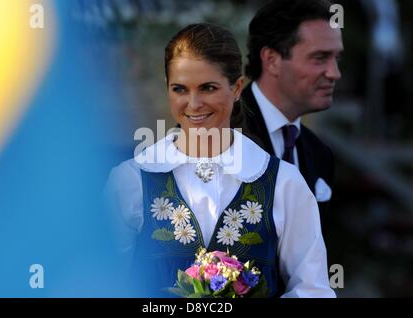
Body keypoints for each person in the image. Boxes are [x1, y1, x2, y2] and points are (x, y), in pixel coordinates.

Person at [104, 23, 335, 297]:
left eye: (208, 88)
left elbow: (312, 289)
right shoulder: (131, 180)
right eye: (180, 89)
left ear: (237, 88)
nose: (193, 103)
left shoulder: (284, 183)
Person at [238, 0, 344, 237]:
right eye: (320, 58)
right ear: (272, 60)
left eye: (337, 58)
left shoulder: (320, 154)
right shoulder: (214, 137)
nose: (335, 73)